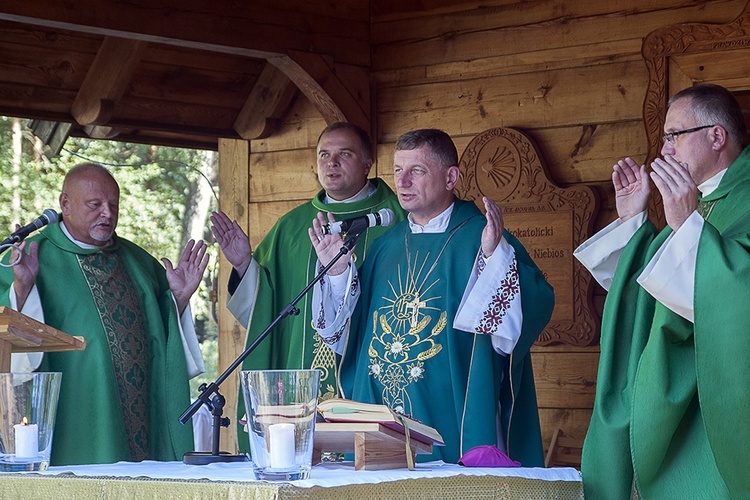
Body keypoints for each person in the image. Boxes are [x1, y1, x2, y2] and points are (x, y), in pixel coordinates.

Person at [308, 128, 554, 465]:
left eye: (417, 171)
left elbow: (534, 307)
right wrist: (336, 274)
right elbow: (345, 334)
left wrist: (496, 263)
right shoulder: (384, 246)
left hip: (451, 412)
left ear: (451, 176)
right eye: (397, 171)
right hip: (380, 416)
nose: (403, 182)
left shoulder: (483, 238)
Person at [574, 83, 750, 499]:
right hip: (672, 396)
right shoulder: (701, 200)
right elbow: (649, 291)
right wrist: (634, 220)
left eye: (674, 135)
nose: (665, 149)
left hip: (717, 407)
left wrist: (690, 228)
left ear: (716, 135)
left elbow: (736, 293)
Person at [210, 122, 405, 447]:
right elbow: (265, 312)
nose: (332, 163)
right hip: (299, 383)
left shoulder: (397, 218)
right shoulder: (291, 227)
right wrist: (244, 264)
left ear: (367, 164)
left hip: (373, 379)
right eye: (324, 155)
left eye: (344, 154)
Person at [0, 163, 209, 465]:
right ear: (65, 204)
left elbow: (165, 344)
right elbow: (12, 345)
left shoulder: (137, 262)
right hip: (77, 412)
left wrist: (178, 298)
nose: (108, 214)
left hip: (142, 420)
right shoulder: (29, 257)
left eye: (113, 205)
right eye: (95, 205)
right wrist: (23, 286)